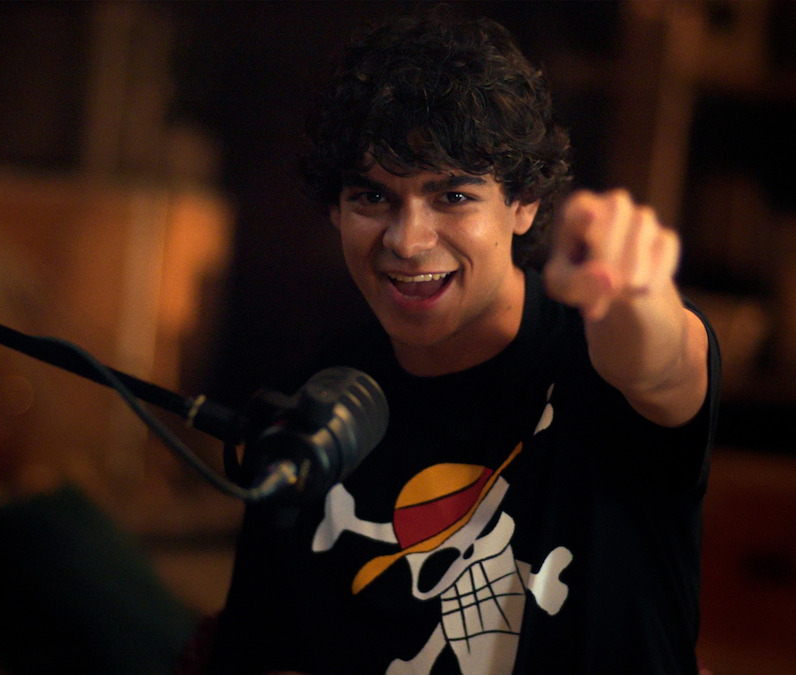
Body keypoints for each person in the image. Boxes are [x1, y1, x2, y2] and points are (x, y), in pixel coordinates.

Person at [208, 9, 720, 674]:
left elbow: (658, 362)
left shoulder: (595, 362)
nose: (407, 240)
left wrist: (628, 293)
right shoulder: (314, 410)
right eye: (372, 196)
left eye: (451, 194)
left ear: (525, 202)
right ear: (335, 207)